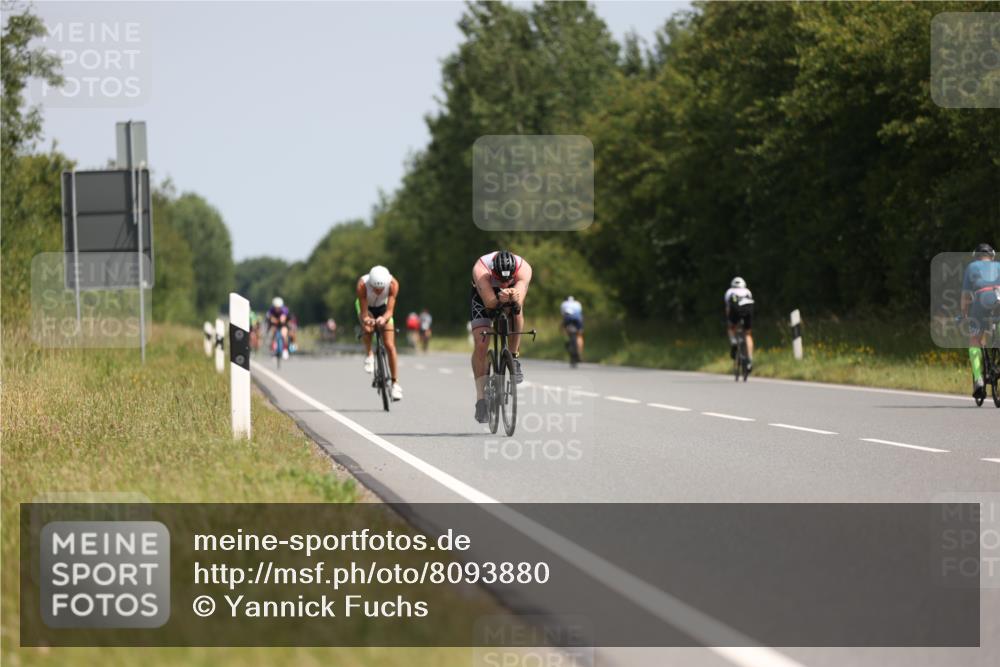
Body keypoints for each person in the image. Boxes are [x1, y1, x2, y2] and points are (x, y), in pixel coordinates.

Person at [470, 249, 533, 423]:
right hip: (483, 296)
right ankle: (481, 399)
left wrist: (513, 297)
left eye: (507, 280)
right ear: (493, 271)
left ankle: (513, 357)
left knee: (516, 312)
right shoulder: (481, 269)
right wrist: (499, 298)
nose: (504, 284)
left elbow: (518, 304)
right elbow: (490, 304)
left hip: (509, 295)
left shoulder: (524, 269)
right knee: (481, 344)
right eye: (500, 280)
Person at [356, 265, 402, 401]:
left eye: (381, 289)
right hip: (366, 307)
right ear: (371, 284)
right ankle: (369, 354)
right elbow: (364, 314)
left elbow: (390, 311)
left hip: (383, 308)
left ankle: (395, 384)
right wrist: (367, 320)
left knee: (389, 345)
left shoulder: (393, 284)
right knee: (368, 329)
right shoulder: (362, 285)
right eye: (375, 288)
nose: (378, 291)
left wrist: (384, 318)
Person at [961, 243, 1000, 400]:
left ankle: (978, 379)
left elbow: (965, 295)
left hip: (981, 301)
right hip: (999, 298)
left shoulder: (971, 267)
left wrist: (964, 313)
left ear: (976, 256)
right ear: (992, 256)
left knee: (974, 339)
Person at [724, 277, 754, 373]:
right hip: (748, 311)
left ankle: (734, 342)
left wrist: (729, 320)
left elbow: (728, 308)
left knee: (731, 327)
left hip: (735, 311)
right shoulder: (747, 291)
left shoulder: (729, 292)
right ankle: (749, 359)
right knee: (748, 334)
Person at [560, 295, 584, 361]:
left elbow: (563, 314)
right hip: (578, 321)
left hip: (568, 320)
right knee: (579, 335)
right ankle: (580, 352)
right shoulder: (577, 303)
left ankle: (567, 341)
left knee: (564, 330)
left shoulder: (564, 304)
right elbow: (580, 313)